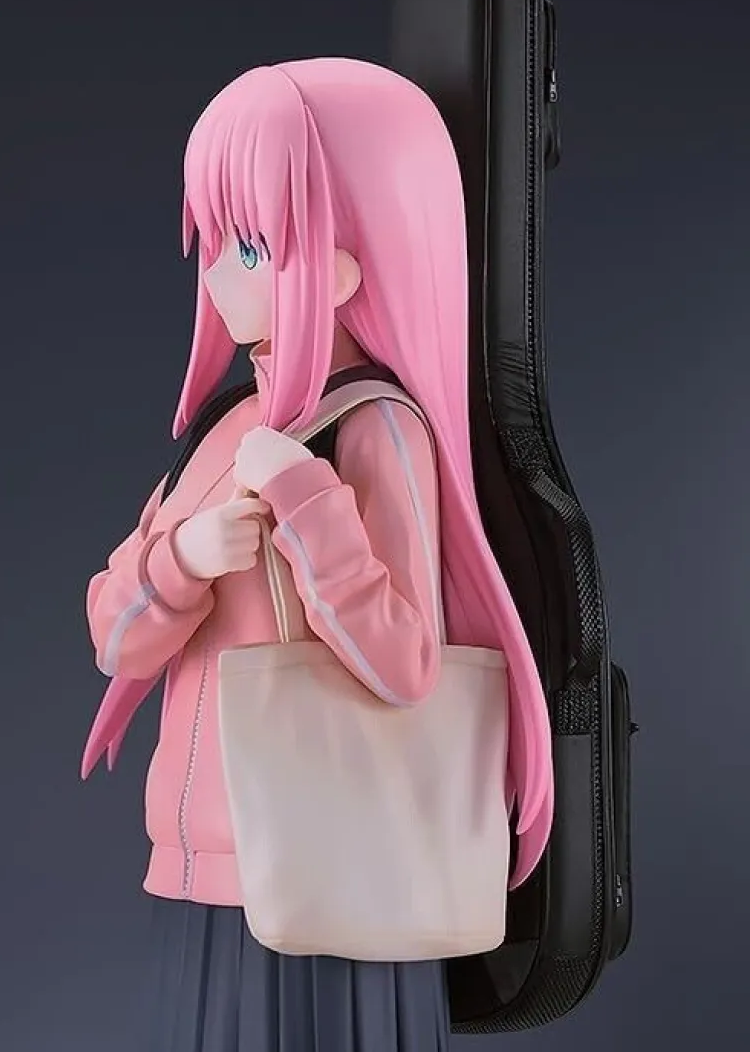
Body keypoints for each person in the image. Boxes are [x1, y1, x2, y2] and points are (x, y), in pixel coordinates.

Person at [81, 57, 553, 1052]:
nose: (217, 274)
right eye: (214, 240)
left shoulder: (375, 428)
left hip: (330, 877)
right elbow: (115, 639)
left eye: (250, 245)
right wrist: (183, 559)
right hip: (201, 877)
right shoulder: (223, 430)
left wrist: (305, 502)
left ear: (343, 265)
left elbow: (405, 665)